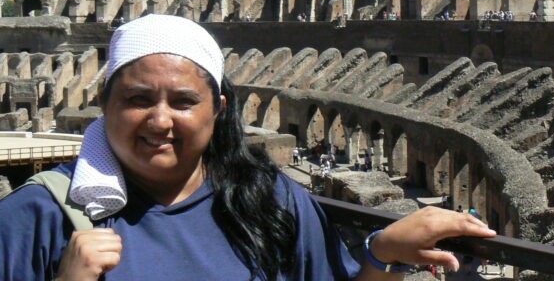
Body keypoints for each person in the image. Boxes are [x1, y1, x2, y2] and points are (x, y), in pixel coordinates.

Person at [0, 14, 495, 281]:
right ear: (104, 103)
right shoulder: (36, 216)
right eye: (138, 99)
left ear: (217, 109)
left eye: (184, 101)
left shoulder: (271, 199)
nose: (160, 120)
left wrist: (382, 255)